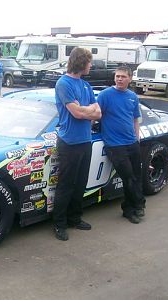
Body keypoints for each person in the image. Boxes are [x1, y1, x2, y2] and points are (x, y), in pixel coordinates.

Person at [53, 47, 102, 241]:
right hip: (69, 142)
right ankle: (59, 224)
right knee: (66, 184)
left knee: (80, 183)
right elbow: (77, 113)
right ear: (81, 62)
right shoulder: (63, 83)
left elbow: (98, 113)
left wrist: (86, 110)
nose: (91, 65)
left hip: (85, 141)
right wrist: (87, 111)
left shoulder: (86, 86)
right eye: (89, 62)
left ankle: (75, 218)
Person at [97, 66, 146, 224]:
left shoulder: (132, 96)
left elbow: (134, 119)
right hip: (114, 144)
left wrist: (136, 138)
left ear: (130, 79)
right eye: (117, 76)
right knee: (128, 177)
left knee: (136, 177)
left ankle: (130, 206)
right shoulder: (105, 95)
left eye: (123, 76)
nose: (119, 79)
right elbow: (96, 115)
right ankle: (136, 207)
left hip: (132, 142)